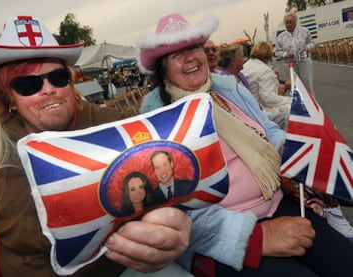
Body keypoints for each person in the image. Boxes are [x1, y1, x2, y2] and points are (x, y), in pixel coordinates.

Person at [0, 15, 192, 276]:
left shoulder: (116, 127)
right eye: (28, 84)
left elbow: (163, 190)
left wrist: (167, 228)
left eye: (58, 77)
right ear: (8, 98)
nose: (48, 89)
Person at [137, 12, 353, 276]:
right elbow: (174, 213)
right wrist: (257, 236)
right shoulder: (157, 127)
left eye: (193, 47)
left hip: (280, 201)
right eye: (175, 54)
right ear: (163, 70)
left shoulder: (229, 91)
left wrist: (294, 149)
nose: (190, 57)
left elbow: (270, 130)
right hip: (230, 236)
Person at [242, 41, 292, 130]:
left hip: (249, 107)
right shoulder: (265, 70)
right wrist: (289, 100)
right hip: (261, 109)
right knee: (294, 109)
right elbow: (269, 99)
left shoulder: (247, 65)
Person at [275, 12, 315, 96]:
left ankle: (311, 107)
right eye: (287, 23)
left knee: (307, 85)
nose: (289, 25)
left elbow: (312, 44)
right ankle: (297, 106)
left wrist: (307, 48)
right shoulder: (280, 37)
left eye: (291, 22)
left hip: (304, 61)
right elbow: (277, 52)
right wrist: (285, 54)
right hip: (290, 65)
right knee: (294, 86)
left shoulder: (304, 31)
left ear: (295, 22)